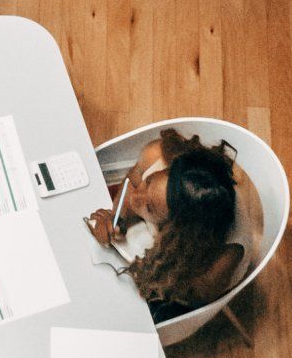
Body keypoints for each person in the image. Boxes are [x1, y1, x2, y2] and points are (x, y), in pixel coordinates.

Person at [84, 127, 262, 319]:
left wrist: (146, 270)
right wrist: (118, 218)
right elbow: (132, 182)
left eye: (150, 208)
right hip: (156, 250)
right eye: (149, 181)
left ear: (175, 229)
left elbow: (193, 296)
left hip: (181, 283)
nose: (136, 197)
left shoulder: (223, 260)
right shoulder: (156, 155)